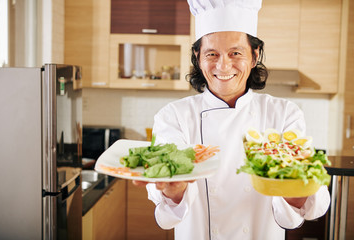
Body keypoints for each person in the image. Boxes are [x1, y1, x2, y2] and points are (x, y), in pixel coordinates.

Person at [134, 0, 330, 239]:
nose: (222, 65)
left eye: (235, 53)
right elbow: (167, 207)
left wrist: (297, 192)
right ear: (197, 56)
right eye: (211, 54)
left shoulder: (284, 114)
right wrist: (174, 192)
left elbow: (299, 209)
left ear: (255, 55)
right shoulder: (173, 116)